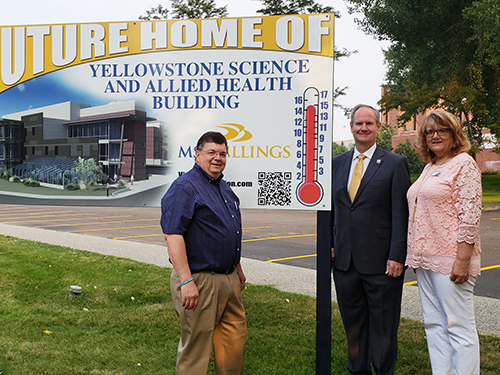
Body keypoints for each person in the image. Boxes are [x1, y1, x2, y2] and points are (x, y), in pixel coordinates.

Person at [331, 104, 411, 375]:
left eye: (369, 123)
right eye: (358, 123)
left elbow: (401, 214)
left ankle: (383, 371)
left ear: (378, 127)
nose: (363, 128)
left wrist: (397, 256)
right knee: (353, 325)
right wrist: (331, 243)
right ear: (351, 127)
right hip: (344, 262)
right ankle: (358, 370)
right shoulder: (337, 164)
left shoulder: (395, 163)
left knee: (383, 327)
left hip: (382, 264)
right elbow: (335, 210)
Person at [161, 131, 246, 375]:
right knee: (196, 350)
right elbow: (173, 235)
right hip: (199, 280)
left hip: (229, 279)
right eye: (211, 153)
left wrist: (237, 269)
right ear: (197, 155)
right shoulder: (185, 187)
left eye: (222, 153)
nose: (217, 158)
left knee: (233, 344)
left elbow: (230, 232)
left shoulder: (224, 189)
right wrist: (186, 281)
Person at [406, 110, 482, 375]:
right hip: (424, 259)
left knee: (458, 327)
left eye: (442, 130)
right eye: (429, 132)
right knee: (434, 325)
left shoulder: (463, 163)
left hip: (450, 260)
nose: (435, 136)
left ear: (454, 134)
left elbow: (470, 214)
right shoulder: (431, 166)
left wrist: (462, 260)